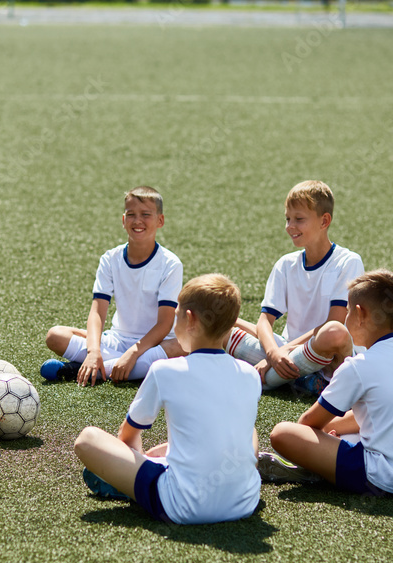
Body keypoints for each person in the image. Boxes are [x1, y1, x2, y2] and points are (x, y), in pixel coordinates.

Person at [73, 274, 262, 524]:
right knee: (250, 431)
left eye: (177, 314)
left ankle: (132, 487)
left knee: (87, 439)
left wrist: (137, 466)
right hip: (244, 504)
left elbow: (127, 437)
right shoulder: (250, 374)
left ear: (190, 319)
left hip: (181, 506)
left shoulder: (164, 370)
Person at [265, 270, 393, 496]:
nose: (344, 319)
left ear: (359, 313)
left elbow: (306, 423)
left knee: (283, 433)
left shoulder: (358, 366)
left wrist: (323, 440)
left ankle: (320, 471)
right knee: (346, 428)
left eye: (346, 311)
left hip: (388, 479)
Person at [225, 180, 363, 394]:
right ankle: (299, 379)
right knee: (222, 325)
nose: (290, 226)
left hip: (326, 355)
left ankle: (268, 378)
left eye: (299, 219)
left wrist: (281, 353)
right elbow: (265, 321)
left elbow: (335, 321)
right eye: (288, 219)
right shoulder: (286, 264)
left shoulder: (347, 261)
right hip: (288, 352)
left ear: (324, 220)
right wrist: (273, 353)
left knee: (334, 333)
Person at [41, 186, 185, 386]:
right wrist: (94, 351)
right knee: (55, 336)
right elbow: (98, 312)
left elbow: (164, 324)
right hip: (117, 340)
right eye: (131, 214)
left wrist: (133, 354)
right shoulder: (110, 258)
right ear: (123, 220)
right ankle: (110, 366)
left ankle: (91, 371)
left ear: (160, 220)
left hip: (156, 345)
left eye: (146, 214)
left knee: (182, 347)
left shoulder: (170, 263)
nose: (138, 221)